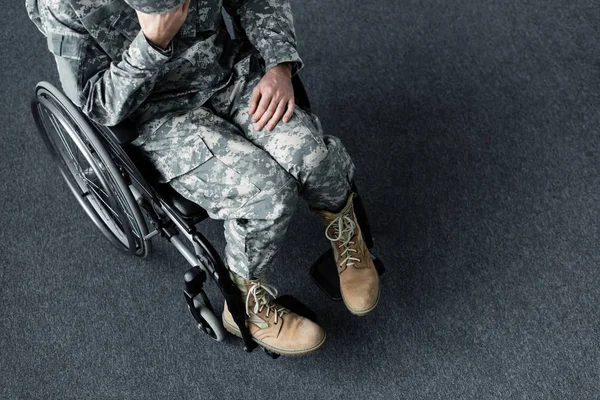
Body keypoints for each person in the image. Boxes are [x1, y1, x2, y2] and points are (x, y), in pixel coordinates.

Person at [26, 0, 380, 356]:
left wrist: (279, 67)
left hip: (225, 72)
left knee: (312, 155)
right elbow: (94, 103)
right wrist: (150, 45)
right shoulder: (64, 5)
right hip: (157, 116)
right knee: (267, 194)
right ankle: (244, 304)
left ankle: (345, 228)